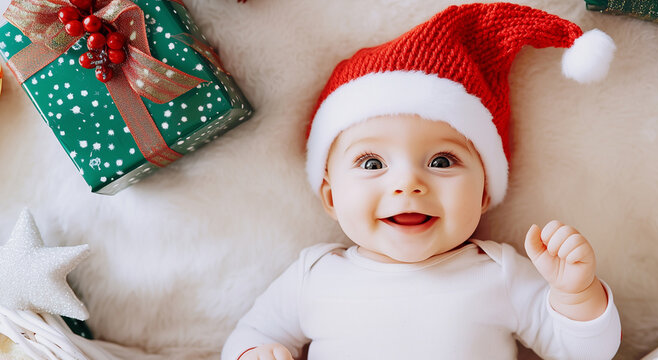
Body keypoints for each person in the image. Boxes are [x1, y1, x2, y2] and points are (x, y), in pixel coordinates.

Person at [222, 3, 620, 360]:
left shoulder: (499, 272)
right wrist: (256, 353)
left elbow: (584, 351)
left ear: (483, 193)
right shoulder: (314, 276)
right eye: (372, 162)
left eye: (442, 160)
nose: (408, 184)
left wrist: (576, 295)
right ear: (330, 197)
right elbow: (251, 334)